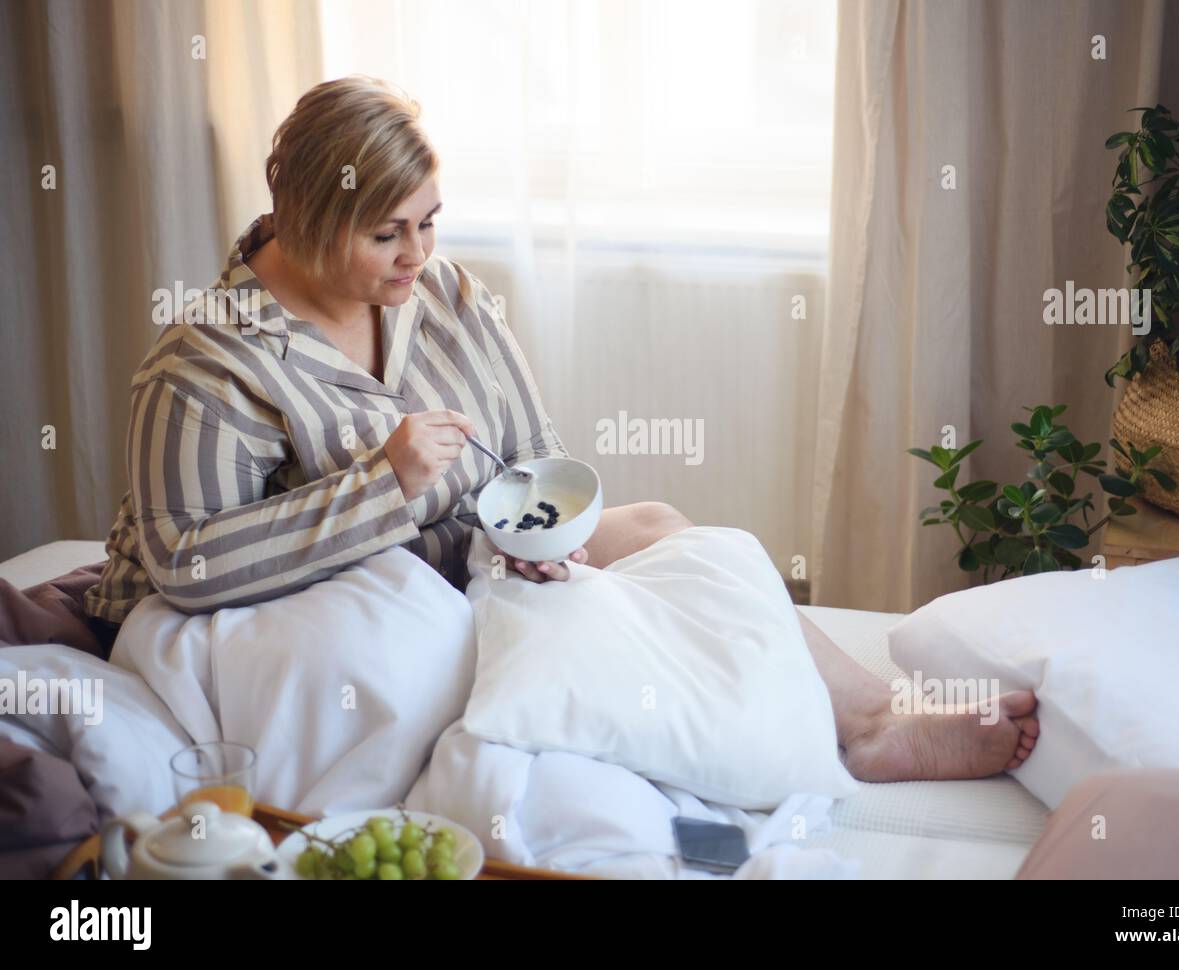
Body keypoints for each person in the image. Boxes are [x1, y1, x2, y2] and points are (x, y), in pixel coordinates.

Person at [84, 76, 1037, 782]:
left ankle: (870, 718)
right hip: (332, 599)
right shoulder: (210, 359)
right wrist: (383, 483)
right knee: (561, 631)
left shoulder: (443, 293)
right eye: (387, 235)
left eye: (430, 222)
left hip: (458, 555)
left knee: (660, 528)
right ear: (304, 218)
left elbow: (533, 454)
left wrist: (540, 535)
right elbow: (184, 561)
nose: (419, 255)